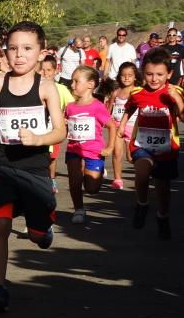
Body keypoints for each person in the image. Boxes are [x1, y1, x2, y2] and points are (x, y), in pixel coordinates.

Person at [0, 21, 66, 313]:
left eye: (27, 48)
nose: (19, 55)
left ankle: (42, 228)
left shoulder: (47, 88)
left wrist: (38, 138)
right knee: (0, 224)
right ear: (5, 52)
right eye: (13, 48)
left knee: (36, 235)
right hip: (3, 164)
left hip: (34, 169)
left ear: (41, 52)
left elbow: (60, 131)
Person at [117, 48, 184, 240]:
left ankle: (163, 217)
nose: (154, 79)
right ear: (142, 73)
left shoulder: (175, 92)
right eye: (149, 74)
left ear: (169, 74)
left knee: (163, 189)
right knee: (142, 173)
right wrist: (122, 125)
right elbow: (129, 109)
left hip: (166, 148)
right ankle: (142, 204)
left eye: (160, 75)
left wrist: (177, 99)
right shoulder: (138, 92)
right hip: (142, 144)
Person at [64, 66, 115, 225]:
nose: (72, 85)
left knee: (92, 189)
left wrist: (110, 147)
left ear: (90, 84)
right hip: (74, 149)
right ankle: (79, 209)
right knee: (74, 181)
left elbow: (112, 126)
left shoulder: (97, 106)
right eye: (72, 81)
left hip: (94, 151)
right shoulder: (70, 107)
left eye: (76, 81)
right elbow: (65, 126)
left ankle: (97, 172)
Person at [40, 54, 72, 193]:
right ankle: (39, 179)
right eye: (43, 70)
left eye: (48, 70)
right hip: (38, 128)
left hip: (54, 129)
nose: (45, 73)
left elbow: (72, 106)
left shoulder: (61, 89)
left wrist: (66, 118)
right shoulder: (35, 87)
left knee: (52, 157)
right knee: (39, 156)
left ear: (55, 71)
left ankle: (51, 180)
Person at [107, 62, 140, 190]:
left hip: (133, 127)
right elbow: (109, 109)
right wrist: (107, 121)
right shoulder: (116, 92)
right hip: (116, 126)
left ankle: (141, 177)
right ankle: (117, 179)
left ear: (135, 77)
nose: (126, 78)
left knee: (131, 156)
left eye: (130, 75)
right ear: (119, 77)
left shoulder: (138, 91)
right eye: (123, 75)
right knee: (117, 153)